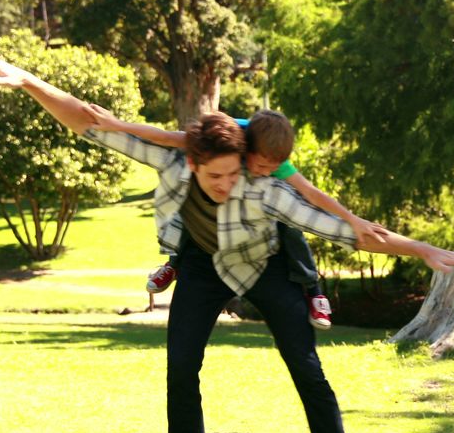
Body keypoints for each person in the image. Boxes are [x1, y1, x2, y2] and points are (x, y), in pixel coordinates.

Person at [0, 48, 454, 433]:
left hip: (265, 268)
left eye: (235, 174)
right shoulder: (173, 159)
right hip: (202, 266)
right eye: (216, 177)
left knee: (308, 370)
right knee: (181, 368)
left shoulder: (263, 189)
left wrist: (422, 248)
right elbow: (90, 122)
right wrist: (29, 80)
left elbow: (348, 232)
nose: (227, 184)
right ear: (192, 163)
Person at [81, 104, 385, 330]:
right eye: (262, 166)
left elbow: (311, 193)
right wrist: (117, 125)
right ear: (247, 148)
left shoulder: (273, 162)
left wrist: (352, 220)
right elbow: (166, 137)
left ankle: (313, 290)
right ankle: (173, 262)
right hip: (216, 198)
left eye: (272, 169)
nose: (266, 172)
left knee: (290, 223)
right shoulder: (230, 135)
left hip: (261, 211)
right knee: (192, 199)